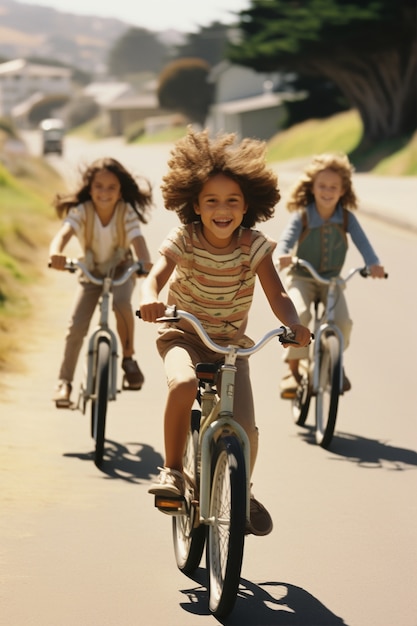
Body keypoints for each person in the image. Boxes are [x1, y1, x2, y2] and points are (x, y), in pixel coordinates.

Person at [139, 128, 311, 536]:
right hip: (183, 334)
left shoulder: (255, 246)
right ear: (194, 205)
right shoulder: (185, 237)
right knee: (182, 384)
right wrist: (150, 298)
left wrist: (293, 323)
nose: (222, 209)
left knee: (245, 429)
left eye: (232, 200)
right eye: (211, 200)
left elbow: (279, 294)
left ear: (247, 204)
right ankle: (173, 472)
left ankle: (241, 490)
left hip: (231, 349)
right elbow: (155, 276)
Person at [276, 153, 386, 399]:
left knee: (343, 322)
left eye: (333, 187)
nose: (327, 191)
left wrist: (374, 263)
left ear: (343, 190)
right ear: (312, 187)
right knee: (299, 315)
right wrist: (283, 254)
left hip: (332, 282)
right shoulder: (303, 215)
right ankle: (292, 369)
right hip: (302, 277)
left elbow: (364, 244)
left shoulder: (346, 217)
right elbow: (286, 239)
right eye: (322, 186)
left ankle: (335, 363)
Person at [49, 157, 153, 408]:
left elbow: (138, 240)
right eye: (99, 186)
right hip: (91, 271)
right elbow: (64, 234)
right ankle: (64, 382)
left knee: (121, 303)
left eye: (111, 187)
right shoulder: (82, 211)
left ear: (120, 192)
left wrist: (144, 262)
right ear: (90, 187)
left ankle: (128, 358)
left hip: (121, 270)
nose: (104, 192)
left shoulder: (125, 212)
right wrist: (56, 253)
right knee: (76, 327)